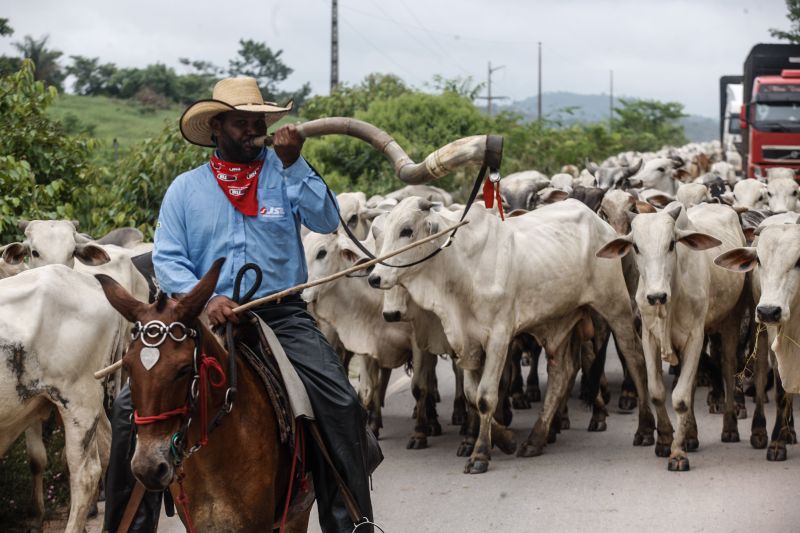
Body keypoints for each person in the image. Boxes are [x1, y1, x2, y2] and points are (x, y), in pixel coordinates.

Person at [105, 77, 374, 533]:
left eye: (258, 121)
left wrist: (295, 163)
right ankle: (126, 528)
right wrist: (207, 298)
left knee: (340, 401)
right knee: (130, 411)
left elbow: (328, 218)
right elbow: (168, 258)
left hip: (279, 313)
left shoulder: (285, 171)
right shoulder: (185, 189)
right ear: (216, 127)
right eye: (241, 122)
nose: (253, 129)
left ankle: (352, 523)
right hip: (198, 318)